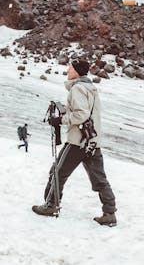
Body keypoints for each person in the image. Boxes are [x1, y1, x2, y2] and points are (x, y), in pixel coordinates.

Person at [32, 59, 117, 226]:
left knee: (57, 173)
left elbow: (81, 115)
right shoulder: (91, 88)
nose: (68, 69)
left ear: (77, 72)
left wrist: (60, 120)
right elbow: (87, 112)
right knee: (100, 179)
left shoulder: (77, 88)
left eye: (70, 68)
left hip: (78, 141)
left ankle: (51, 205)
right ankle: (110, 213)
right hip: (92, 141)